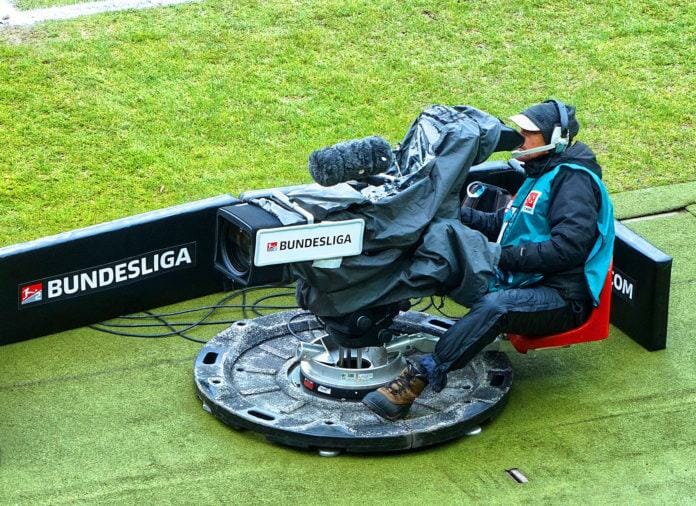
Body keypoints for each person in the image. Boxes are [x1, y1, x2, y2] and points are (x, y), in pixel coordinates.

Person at [363, 100, 615, 421]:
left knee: (499, 306)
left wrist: (499, 257)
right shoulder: (541, 172)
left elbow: (568, 249)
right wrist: (443, 212)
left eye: (529, 131)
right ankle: (381, 316)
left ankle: (421, 375)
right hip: (523, 279)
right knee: (441, 251)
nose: (519, 135)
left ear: (557, 137)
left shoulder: (573, 181)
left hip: (562, 297)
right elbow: (502, 223)